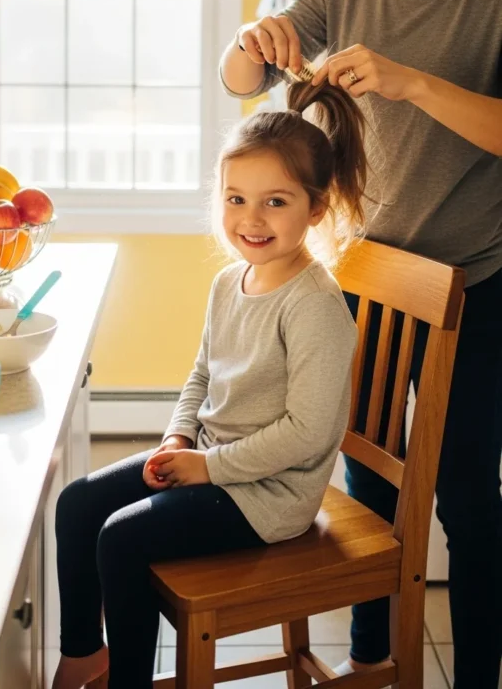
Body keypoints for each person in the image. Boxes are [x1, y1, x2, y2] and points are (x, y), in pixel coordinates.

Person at [220, 0, 502, 689]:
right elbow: (239, 80)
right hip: (372, 273)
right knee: (367, 486)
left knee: (467, 499)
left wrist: (411, 80)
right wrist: (252, 40)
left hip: (479, 282)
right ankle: (373, 665)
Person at [51, 75, 367, 689]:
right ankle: (85, 656)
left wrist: (207, 467)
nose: (251, 219)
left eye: (276, 201)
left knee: (120, 539)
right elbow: (202, 372)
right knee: (78, 504)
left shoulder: (315, 306)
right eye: (235, 198)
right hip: (213, 460)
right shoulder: (231, 281)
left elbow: (306, 434)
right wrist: (177, 438)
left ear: (316, 209)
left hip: (271, 495)